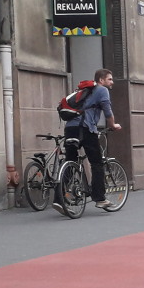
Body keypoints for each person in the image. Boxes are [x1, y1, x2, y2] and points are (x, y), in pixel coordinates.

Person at [57, 68, 121, 212]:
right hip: (85, 129)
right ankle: (99, 198)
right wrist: (113, 125)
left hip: (70, 128)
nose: (112, 82)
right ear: (101, 80)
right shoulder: (102, 90)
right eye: (110, 79)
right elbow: (108, 111)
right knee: (97, 163)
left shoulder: (87, 91)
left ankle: (59, 200)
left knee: (70, 161)